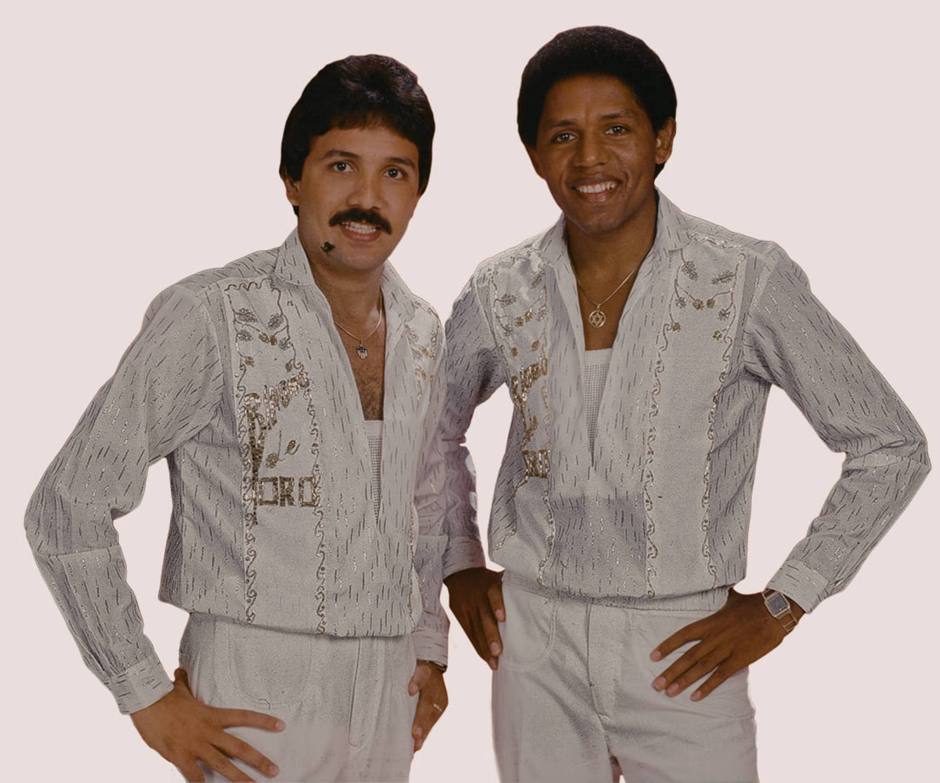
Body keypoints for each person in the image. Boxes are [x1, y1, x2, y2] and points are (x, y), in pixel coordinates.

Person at [439, 26, 930, 783]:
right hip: (532, 641)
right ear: (534, 154)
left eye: (617, 129)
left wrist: (786, 600)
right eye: (563, 135)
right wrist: (459, 563)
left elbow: (891, 445)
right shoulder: (500, 287)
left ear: (663, 138)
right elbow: (427, 432)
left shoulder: (745, 278)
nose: (590, 159)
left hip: (684, 646)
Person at [24, 54, 450, 783]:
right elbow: (68, 505)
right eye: (341, 166)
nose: (367, 198)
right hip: (255, 692)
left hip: (388, 693)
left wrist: (429, 646)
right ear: (292, 179)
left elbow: (425, 500)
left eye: (394, 172)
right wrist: (144, 692)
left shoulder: (422, 331)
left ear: (417, 193)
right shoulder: (212, 315)